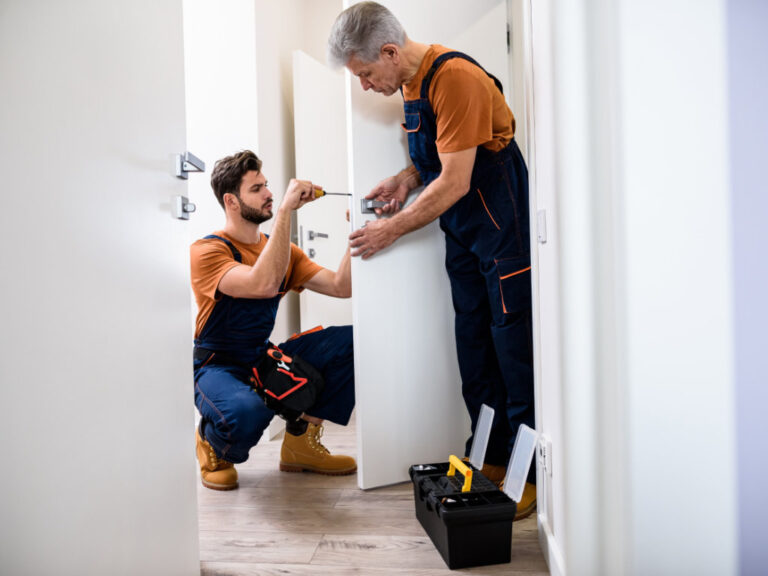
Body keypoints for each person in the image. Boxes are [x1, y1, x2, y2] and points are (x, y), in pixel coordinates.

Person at [328, 2, 536, 519]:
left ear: (391, 52)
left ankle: (527, 471)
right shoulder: (410, 82)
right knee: (473, 338)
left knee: (512, 341)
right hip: (463, 227)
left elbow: (458, 179)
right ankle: (489, 455)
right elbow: (442, 155)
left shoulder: (455, 78)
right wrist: (404, 179)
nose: (365, 87)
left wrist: (388, 230)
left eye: (365, 73)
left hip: (495, 219)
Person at [190, 150, 356, 491]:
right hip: (217, 366)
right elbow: (261, 285)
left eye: (267, 185)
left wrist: (357, 228)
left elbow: (342, 287)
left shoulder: (284, 252)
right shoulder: (208, 251)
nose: (268, 193)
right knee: (248, 412)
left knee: (351, 342)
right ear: (231, 201)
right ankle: (212, 443)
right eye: (256, 189)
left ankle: (300, 443)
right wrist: (285, 212)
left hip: (260, 356)